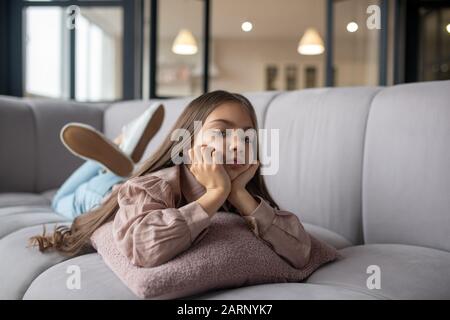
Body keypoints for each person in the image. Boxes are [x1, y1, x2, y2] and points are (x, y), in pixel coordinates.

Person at [30, 90, 312, 270]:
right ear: (188, 142)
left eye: (246, 136)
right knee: (62, 199)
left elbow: (300, 252)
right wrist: (215, 194)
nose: (237, 144)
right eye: (222, 133)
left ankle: (122, 156)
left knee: (127, 173)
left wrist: (238, 195)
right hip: (106, 196)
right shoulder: (155, 185)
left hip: (135, 180)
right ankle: (106, 160)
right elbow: (143, 247)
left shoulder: (245, 192)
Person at [51, 103, 165, 219]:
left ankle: (121, 145)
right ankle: (121, 147)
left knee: (57, 201)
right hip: (112, 193)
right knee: (59, 200)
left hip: (109, 194)